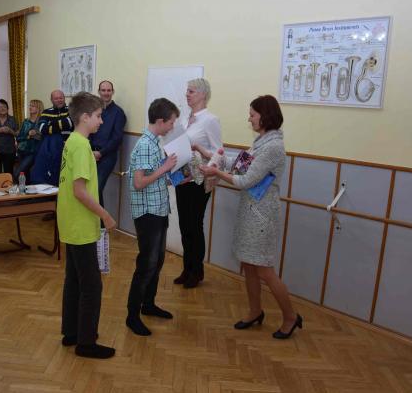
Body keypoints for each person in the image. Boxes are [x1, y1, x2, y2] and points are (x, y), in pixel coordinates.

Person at [199, 95, 302, 339]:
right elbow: (239, 164)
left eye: (252, 115)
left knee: (264, 269)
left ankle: (290, 316)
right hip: (251, 210)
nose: (249, 119)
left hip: (262, 214)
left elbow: (244, 180)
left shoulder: (273, 147)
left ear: (265, 116)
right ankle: (255, 311)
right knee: (249, 265)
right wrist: (209, 154)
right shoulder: (261, 141)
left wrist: (216, 173)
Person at [57, 92, 117, 359]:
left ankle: (72, 332)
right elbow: (80, 191)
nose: (101, 121)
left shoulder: (73, 141)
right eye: (98, 116)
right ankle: (86, 343)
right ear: (84, 117)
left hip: (70, 221)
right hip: (80, 225)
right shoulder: (81, 146)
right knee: (92, 286)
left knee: (74, 281)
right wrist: (105, 215)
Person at [126, 98, 179, 336]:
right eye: (171, 122)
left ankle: (148, 304)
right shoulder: (146, 144)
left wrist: (174, 176)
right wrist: (165, 168)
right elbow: (139, 183)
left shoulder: (155, 142)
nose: (172, 126)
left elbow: (154, 177)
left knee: (157, 261)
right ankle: (132, 316)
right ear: (160, 121)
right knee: (146, 264)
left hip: (158, 209)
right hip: (148, 213)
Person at [174, 78, 223, 288]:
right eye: (187, 91)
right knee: (184, 225)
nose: (187, 94)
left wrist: (202, 156)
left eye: (191, 91)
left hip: (199, 180)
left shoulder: (210, 120)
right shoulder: (185, 120)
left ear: (203, 95)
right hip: (182, 178)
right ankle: (187, 269)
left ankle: (196, 271)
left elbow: (218, 153)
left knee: (195, 225)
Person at [89, 80, 127, 205]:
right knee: (90, 189)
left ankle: (101, 218)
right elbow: (88, 131)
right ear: (99, 92)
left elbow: (117, 138)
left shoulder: (118, 113)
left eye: (109, 90)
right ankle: (96, 217)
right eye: (103, 90)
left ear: (112, 92)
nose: (106, 93)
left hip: (107, 156)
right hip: (90, 154)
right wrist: (90, 151)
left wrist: (100, 153)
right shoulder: (93, 110)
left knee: (96, 188)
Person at [30, 90, 73, 185]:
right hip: (51, 151)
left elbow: (71, 123)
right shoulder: (46, 112)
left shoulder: (71, 110)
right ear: (51, 100)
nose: (59, 100)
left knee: (66, 180)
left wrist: (51, 124)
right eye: (56, 98)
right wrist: (63, 124)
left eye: (61, 98)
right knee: (51, 177)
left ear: (64, 98)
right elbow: (42, 129)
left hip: (69, 150)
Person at [14, 99, 44, 182]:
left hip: (33, 153)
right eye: (30, 105)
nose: (30, 107)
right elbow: (18, 137)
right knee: (25, 176)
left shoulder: (42, 122)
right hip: (21, 151)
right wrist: (28, 135)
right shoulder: (26, 121)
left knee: (17, 174)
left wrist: (36, 134)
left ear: (38, 108)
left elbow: (43, 138)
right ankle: (26, 190)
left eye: (33, 106)